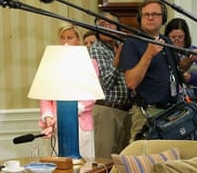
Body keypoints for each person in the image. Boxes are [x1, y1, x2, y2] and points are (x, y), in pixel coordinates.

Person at [119, 0, 189, 141]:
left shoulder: (166, 41)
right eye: (146, 14)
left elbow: (175, 70)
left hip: (171, 112)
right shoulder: (131, 43)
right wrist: (148, 54)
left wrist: (189, 61)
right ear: (140, 18)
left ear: (163, 18)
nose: (150, 17)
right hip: (147, 114)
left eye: (155, 14)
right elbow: (131, 82)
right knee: (144, 159)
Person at [39, 24, 95, 159]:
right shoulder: (52, 63)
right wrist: (48, 116)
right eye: (62, 38)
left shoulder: (89, 62)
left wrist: (67, 112)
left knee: (82, 166)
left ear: (78, 40)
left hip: (80, 123)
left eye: (69, 38)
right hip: (55, 124)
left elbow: (90, 95)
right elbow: (45, 95)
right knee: (57, 165)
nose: (65, 42)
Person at [89, 12, 132, 158]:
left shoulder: (121, 46)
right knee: (104, 160)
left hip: (127, 111)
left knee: (124, 161)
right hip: (106, 110)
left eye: (110, 23)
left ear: (117, 28)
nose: (107, 27)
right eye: (102, 24)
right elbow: (105, 84)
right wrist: (118, 58)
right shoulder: (96, 49)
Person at [163, 17, 197, 114]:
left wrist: (191, 78)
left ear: (186, 37)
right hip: (170, 105)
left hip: (194, 102)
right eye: (173, 37)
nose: (177, 40)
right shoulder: (163, 52)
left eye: (180, 37)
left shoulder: (194, 51)